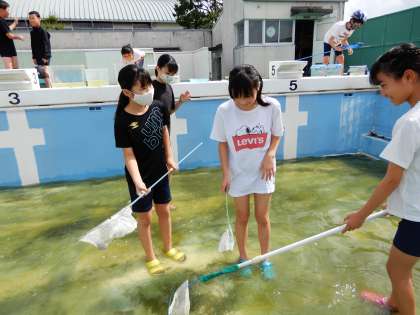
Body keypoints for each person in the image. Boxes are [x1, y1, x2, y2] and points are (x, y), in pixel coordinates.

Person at [343, 43, 420, 315]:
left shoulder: (411, 122)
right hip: (413, 212)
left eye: (385, 85)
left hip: (417, 219)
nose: (383, 93)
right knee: (401, 268)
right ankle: (393, 304)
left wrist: (361, 215)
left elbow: (391, 179)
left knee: (396, 270)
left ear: (408, 77)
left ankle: (402, 309)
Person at [210, 64, 284, 280]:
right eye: (238, 97)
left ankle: (265, 258)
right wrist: (226, 173)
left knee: (262, 217)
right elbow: (222, 144)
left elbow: (277, 133)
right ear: (231, 93)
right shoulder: (224, 111)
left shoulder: (272, 106)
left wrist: (270, 154)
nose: (243, 101)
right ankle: (243, 257)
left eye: (248, 96)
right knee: (242, 216)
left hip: (263, 171)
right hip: (238, 173)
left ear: (258, 87)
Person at [114, 65, 186, 275]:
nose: (148, 92)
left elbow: (164, 132)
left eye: (148, 87)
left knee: (164, 210)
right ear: (128, 92)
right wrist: (137, 181)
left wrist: (170, 157)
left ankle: (168, 247)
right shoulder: (122, 120)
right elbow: (128, 155)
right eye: (142, 89)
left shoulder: (157, 106)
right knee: (145, 218)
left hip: (160, 172)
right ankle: (151, 257)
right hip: (140, 178)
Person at [153, 54, 191, 210]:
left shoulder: (169, 88)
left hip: (166, 135)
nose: (170, 77)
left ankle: (163, 201)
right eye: (167, 73)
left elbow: (169, 111)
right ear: (158, 69)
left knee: (168, 168)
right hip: (152, 136)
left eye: (172, 75)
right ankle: (155, 202)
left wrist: (180, 101)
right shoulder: (149, 87)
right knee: (155, 170)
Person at [28, 11, 52, 88]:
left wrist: (46, 57)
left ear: (39, 19)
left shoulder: (43, 31)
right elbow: (33, 45)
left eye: (33, 18)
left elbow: (47, 45)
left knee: (45, 72)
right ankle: (45, 89)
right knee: (40, 72)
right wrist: (33, 57)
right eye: (30, 19)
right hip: (37, 56)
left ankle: (50, 90)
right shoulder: (32, 32)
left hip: (44, 56)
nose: (31, 20)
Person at [0, 1, 23, 69]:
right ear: (1, 10)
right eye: (7, 9)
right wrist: (19, 37)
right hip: (5, 49)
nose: (8, 12)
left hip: (8, 48)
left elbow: (7, 29)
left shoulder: (2, 21)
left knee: (15, 68)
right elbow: (9, 35)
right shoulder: (1, 21)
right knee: (10, 69)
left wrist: (15, 23)